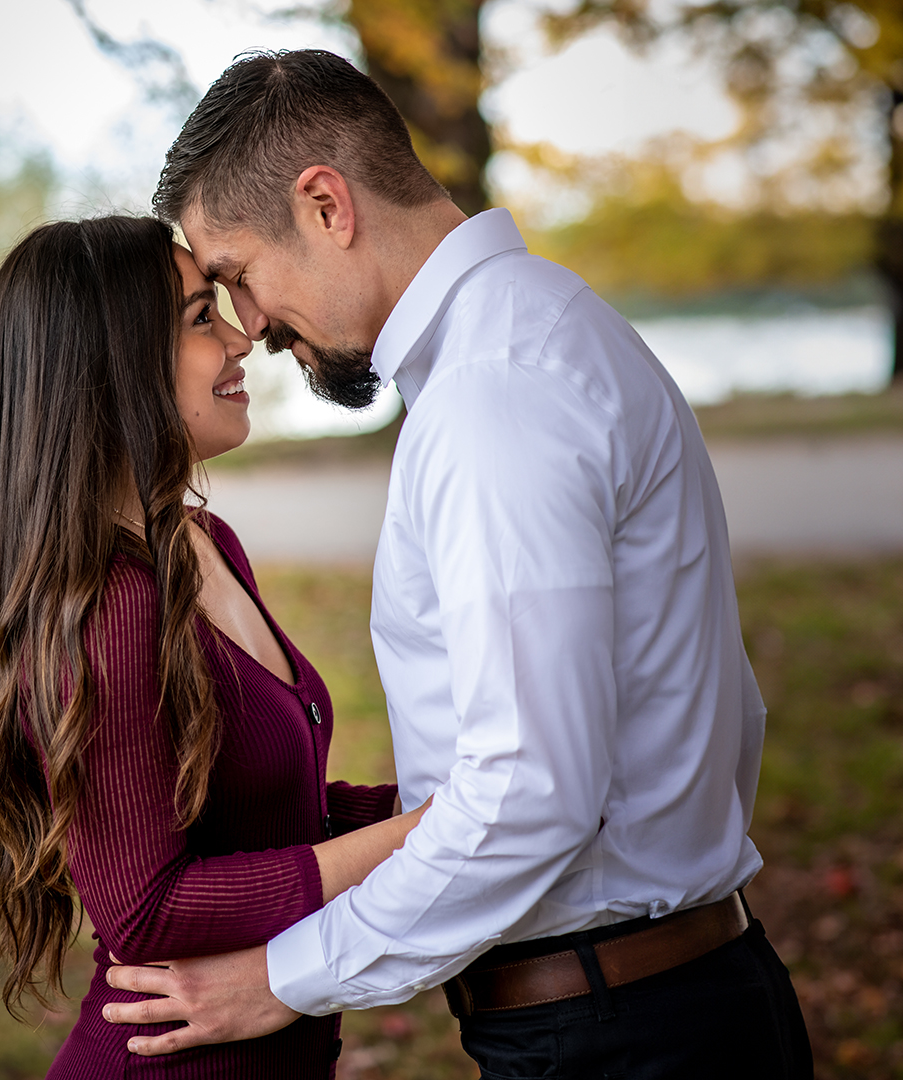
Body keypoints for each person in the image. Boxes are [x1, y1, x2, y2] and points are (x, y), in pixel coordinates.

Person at [101, 50, 814, 1079]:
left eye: (238, 277)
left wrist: (284, 976)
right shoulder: (548, 330)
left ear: (325, 206)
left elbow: (531, 790)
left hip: (621, 1032)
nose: (247, 327)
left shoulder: (495, 394)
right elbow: (718, 712)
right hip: (664, 1004)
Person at [0, 214, 427, 1079]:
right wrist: (432, 834)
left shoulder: (202, 544)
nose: (244, 337)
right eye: (199, 317)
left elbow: (271, 824)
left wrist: (459, 801)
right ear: (110, 364)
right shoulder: (106, 606)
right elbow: (147, 909)